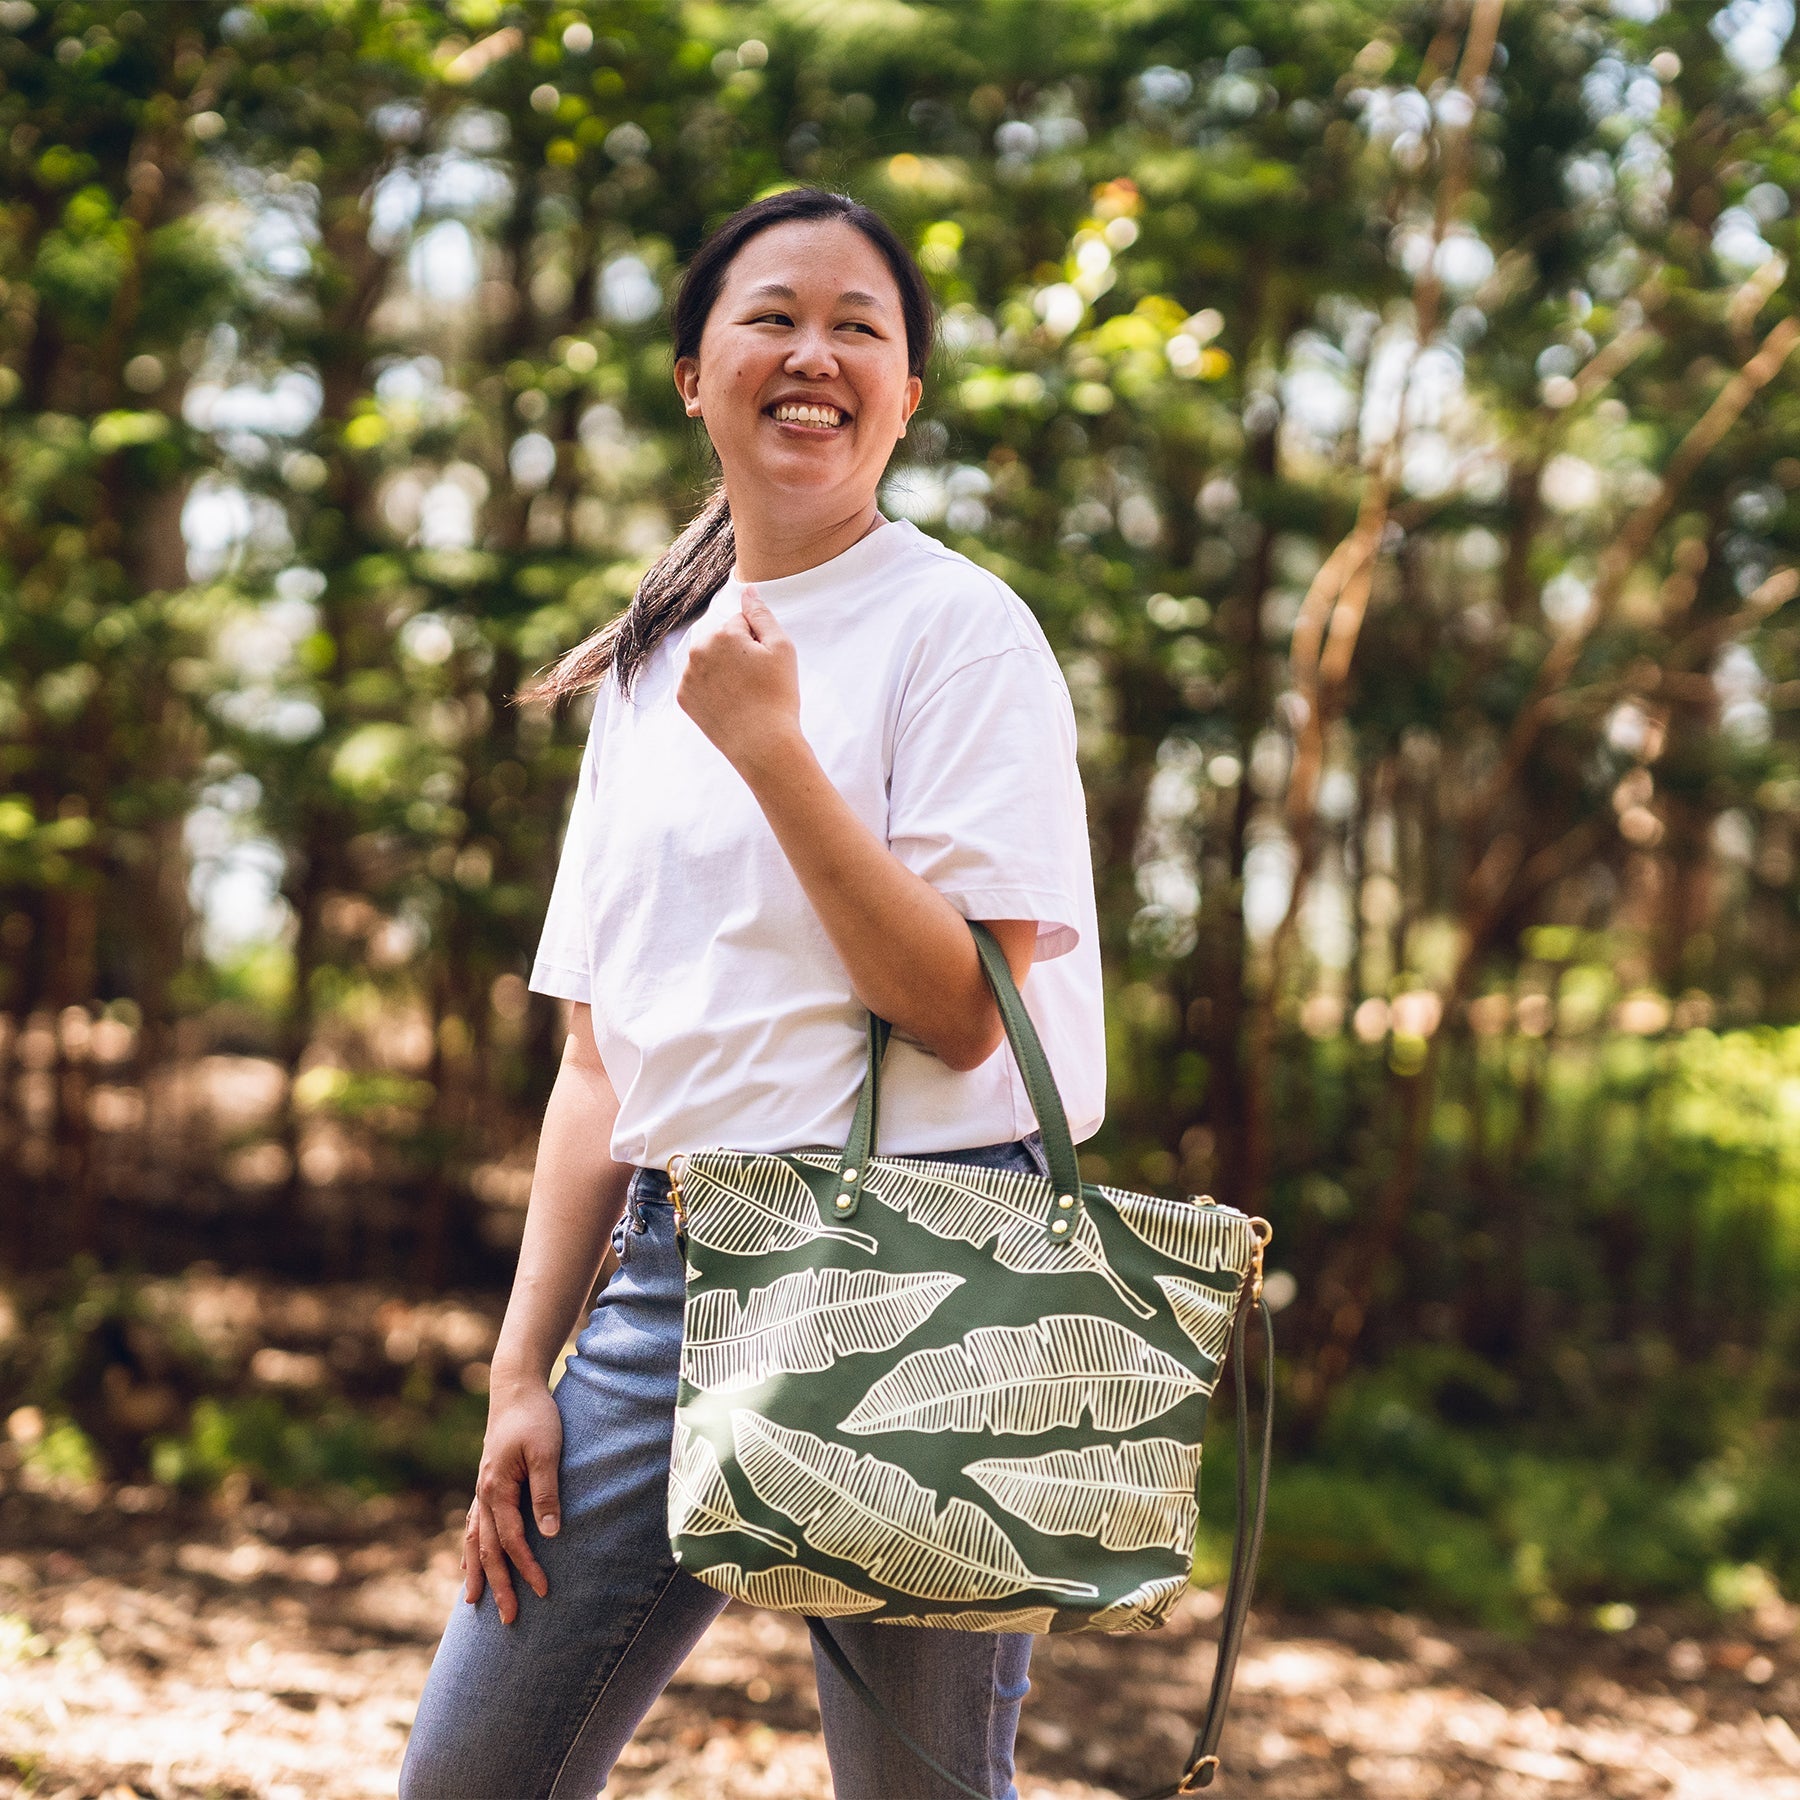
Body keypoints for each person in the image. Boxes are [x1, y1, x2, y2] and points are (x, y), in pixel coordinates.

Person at [399, 187, 1104, 1800]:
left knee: (915, 1791)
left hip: (922, 1265)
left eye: (863, 327)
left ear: (908, 394)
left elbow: (960, 1012)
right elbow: (599, 1065)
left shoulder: (963, 633)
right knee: (472, 1779)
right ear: (693, 374)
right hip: (667, 1276)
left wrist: (778, 755)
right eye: (774, 316)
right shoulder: (651, 667)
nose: (817, 353)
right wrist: (526, 1375)